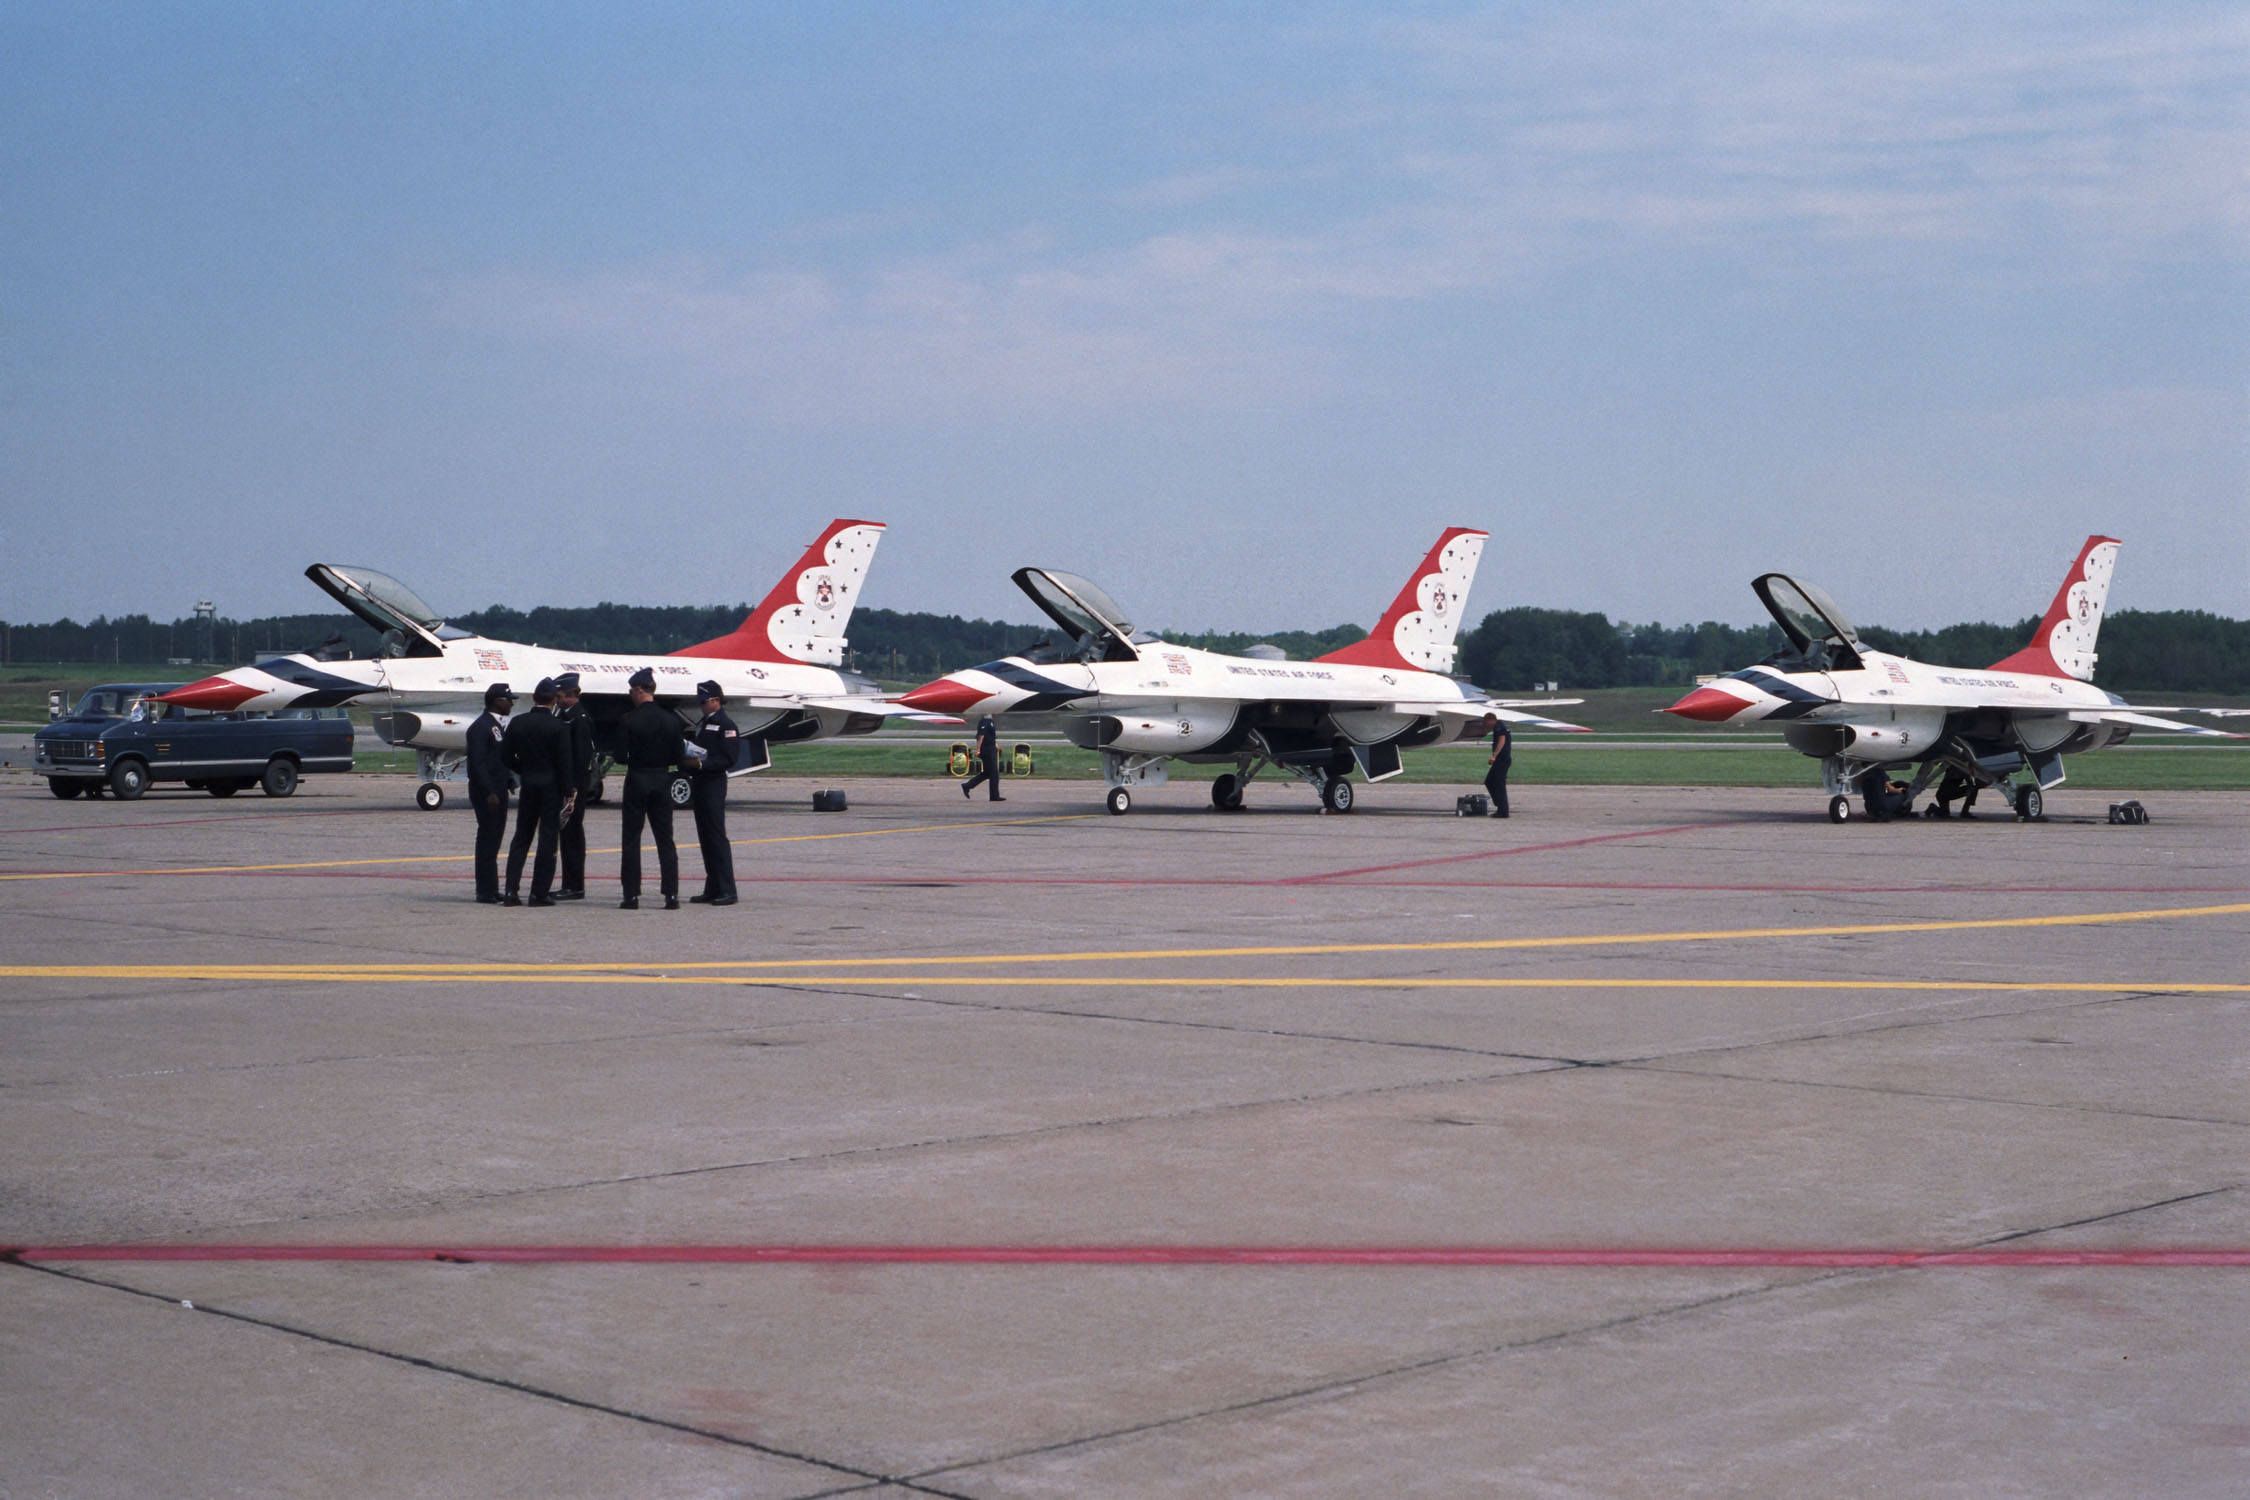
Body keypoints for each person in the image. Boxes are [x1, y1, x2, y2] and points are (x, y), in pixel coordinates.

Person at [502, 678, 576, 906]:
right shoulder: (559, 727)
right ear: (554, 700)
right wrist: (568, 790)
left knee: (521, 838)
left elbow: (505, 756)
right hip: (551, 787)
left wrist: (523, 769)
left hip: (529, 784)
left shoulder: (518, 723)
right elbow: (565, 763)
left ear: (534, 698)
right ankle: (538, 893)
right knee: (547, 840)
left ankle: (511, 891)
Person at [617, 667, 682, 911]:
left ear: (638, 690)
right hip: (661, 779)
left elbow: (621, 756)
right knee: (665, 838)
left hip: (637, 778)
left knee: (632, 839)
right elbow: (678, 755)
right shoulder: (671, 720)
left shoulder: (628, 719)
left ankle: (631, 894)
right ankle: (671, 894)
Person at [687, 679, 740, 905]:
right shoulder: (704, 722)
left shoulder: (726, 725)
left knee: (716, 837)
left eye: (705, 702)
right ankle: (713, 886)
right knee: (705, 837)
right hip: (700, 783)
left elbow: (728, 759)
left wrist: (702, 765)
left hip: (713, 783)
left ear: (716, 700)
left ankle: (728, 889)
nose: (702, 706)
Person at [465, 682, 515, 904]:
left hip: (498, 788)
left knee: (495, 840)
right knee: (487, 839)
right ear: (497, 701)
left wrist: (509, 780)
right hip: (487, 793)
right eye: (508, 699)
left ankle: (492, 888)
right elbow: (477, 764)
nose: (511, 703)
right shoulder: (480, 727)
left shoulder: (495, 726)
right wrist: (489, 792)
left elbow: (497, 760)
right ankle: (484, 890)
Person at [553, 673, 597, 899]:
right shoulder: (566, 716)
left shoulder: (579, 719)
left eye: (560, 696)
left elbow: (581, 759)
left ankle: (574, 885)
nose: (557, 700)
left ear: (571, 696)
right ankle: (570, 883)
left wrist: (571, 789)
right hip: (569, 784)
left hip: (574, 785)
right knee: (567, 835)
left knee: (572, 835)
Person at [961, 714, 1004, 801]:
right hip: (986, 750)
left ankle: (967, 786)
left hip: (991, 748)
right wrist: (978, 749)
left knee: (988, 773)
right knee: (994, 773)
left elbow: (990, 737)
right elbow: (981, 736)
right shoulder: (984, 721)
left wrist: (996, 746)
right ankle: (994, 796)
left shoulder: (991, 721)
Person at [1481, 713, 1511, 818]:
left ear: (1491, 720)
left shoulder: (1499, 726)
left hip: (1502, 760)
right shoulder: (1499, 726)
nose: (1486, 725)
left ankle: (1503, 811)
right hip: (1500, 760)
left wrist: (1494, 755)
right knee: (1489, 782)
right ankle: (1500, 807)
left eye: (1486, 722)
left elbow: (1502, 740)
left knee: (1499, 785)